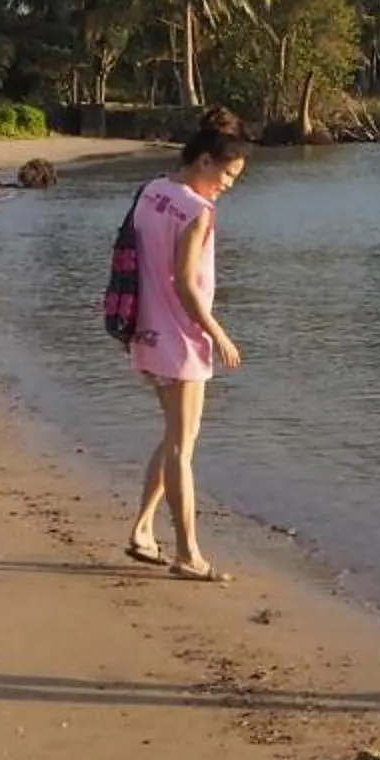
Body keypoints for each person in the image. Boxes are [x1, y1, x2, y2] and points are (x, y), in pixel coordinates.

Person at [125, 111, 247, 582]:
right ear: (204, 160)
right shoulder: (198, 210)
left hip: (145, 330)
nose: (228, 185)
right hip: (181, 338)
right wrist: (218, 333)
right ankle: (187, 552)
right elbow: (184, 281)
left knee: (177, 437)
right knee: (182, 446)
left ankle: (141, 529)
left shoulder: (153, 190)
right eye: (227, 174)